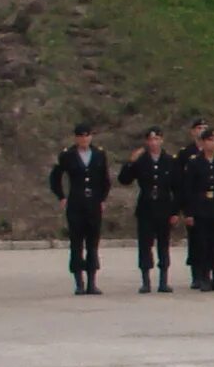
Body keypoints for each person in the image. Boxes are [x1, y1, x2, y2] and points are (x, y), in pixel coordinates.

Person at [50, 122, 111, 295]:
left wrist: (103, 199)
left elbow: (105, 179)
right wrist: (61, 196)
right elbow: (55, 177)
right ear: (76, 138)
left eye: (87, 135)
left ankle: (92, 282)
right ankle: (79, 282)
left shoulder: (99, 154)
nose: (84, 139)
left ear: (91, 136)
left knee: (93, 243)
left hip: (93, 203)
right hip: (76, 203)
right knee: (76, 243)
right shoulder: (67, 155)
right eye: (81, 136)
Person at [176, 123, 214, 291]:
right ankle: (204, 276)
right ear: (203, 142)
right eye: (210, 140)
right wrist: (188, 212)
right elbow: (188, 189)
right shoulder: (195, 162)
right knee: (202, 243)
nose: (213, 143)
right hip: (200, 208)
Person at [118, 126, 177, 292]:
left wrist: (175, 211)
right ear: (146, 142)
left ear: (162, 140)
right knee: (145, 245)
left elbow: (177, 188)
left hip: (164, 207)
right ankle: (146, 281)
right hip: (146, 208)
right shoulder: (141, 160)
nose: (154, 143)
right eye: (151, 140)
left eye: (157, 139)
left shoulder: (170, 160)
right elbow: (124, 180)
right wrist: (130, 162)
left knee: (163, 245)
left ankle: (163, 281)